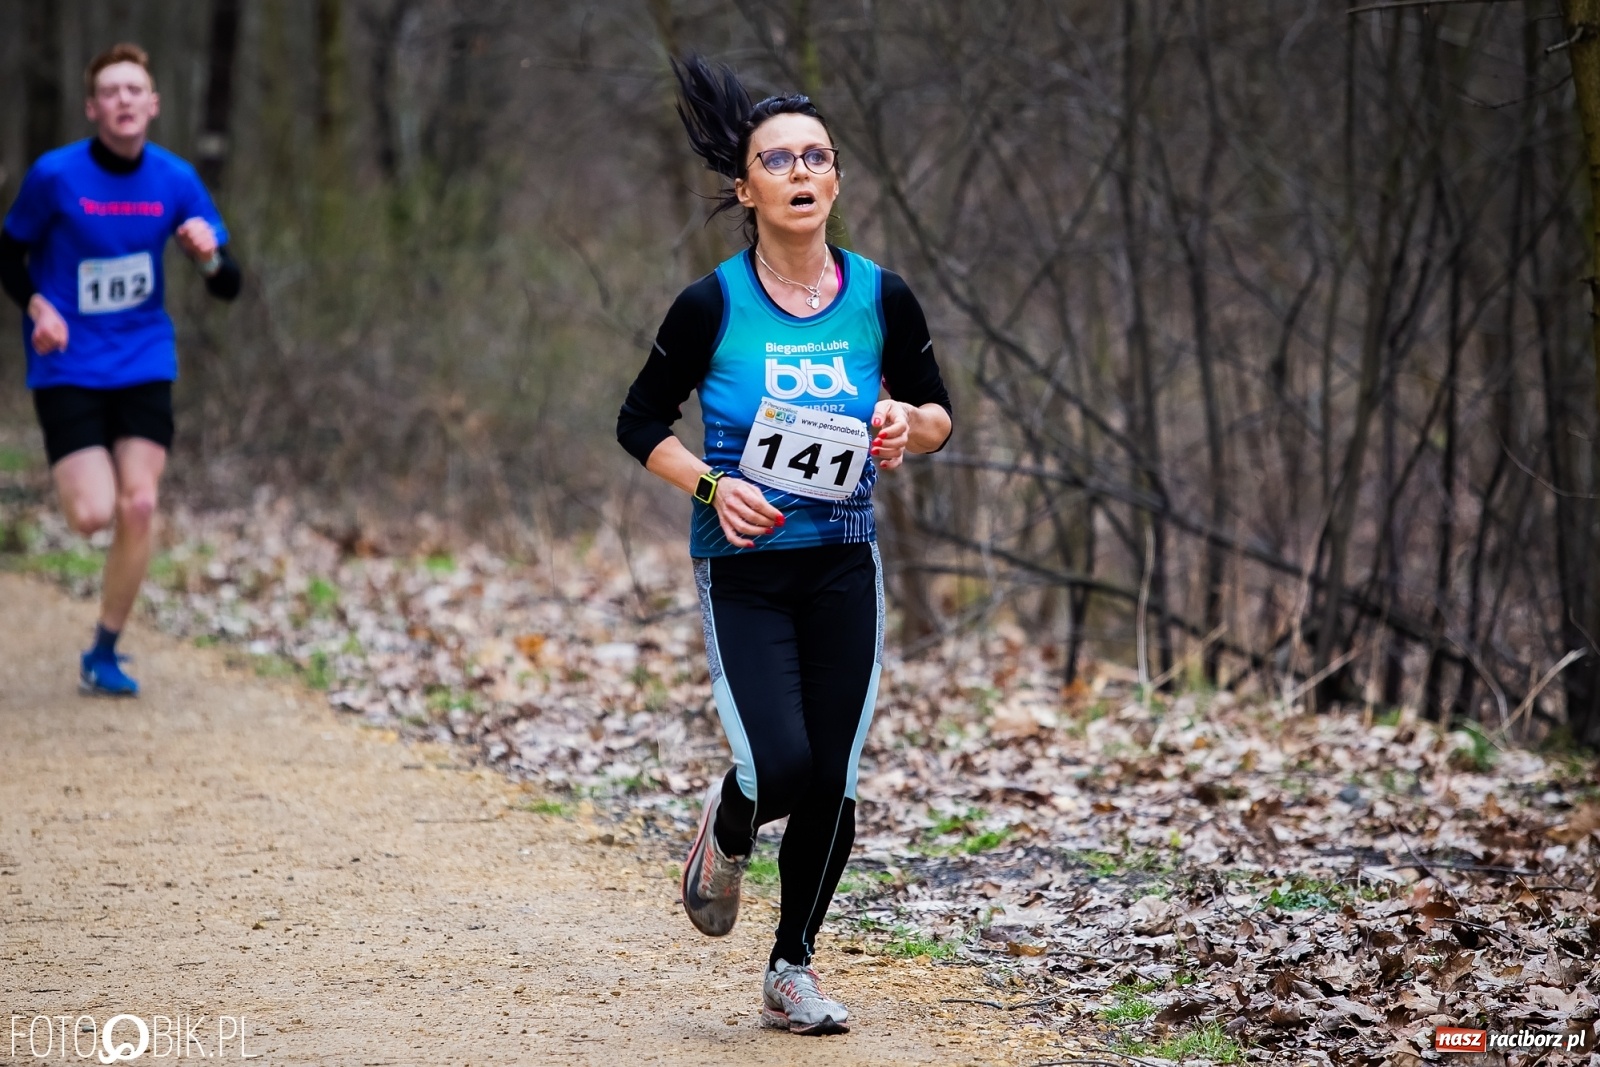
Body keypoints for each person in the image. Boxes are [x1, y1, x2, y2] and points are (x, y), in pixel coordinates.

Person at [616, 55, 952, 1036]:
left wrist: (901, 423)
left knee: (834, 773)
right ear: (745, 186)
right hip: (745, 571)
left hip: (844, 560)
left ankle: (790, 967)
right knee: (780, 763)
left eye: (817, 156)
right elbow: (640, 423)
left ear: (835, 179)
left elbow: (938, 417)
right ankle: (727, 821)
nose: (800, 172)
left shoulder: (882, 298)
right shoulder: (709, 305)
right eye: (778, 159)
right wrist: (716, 486)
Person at [0, 43, 242, 696]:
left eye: (135, 88)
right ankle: (89, 475)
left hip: (142, 357)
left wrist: (208, 257)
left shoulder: (175, 179)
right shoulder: (55, 175)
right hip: (68, 360)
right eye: (111, 90)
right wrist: (38, 303)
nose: (124, 99)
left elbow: (227, 283)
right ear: (92, 107)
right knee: (92, 515)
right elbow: (7, 255)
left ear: (154, 104)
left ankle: (104, 648)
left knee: (140, 502)